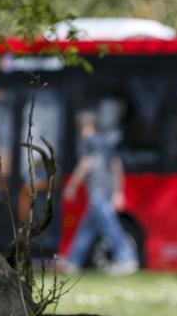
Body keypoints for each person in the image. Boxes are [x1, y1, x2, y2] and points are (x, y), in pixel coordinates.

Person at [59, 110, 139, 276]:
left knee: (110, 226)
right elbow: (117, 166)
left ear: (83, 126)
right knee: (87, 228)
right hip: (108, 189)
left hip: (97, 189)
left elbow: (85, 164)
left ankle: (126, 259)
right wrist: (118, 192)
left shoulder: (86, 141)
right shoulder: (106, 141)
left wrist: (72, 186)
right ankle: (73, 262)